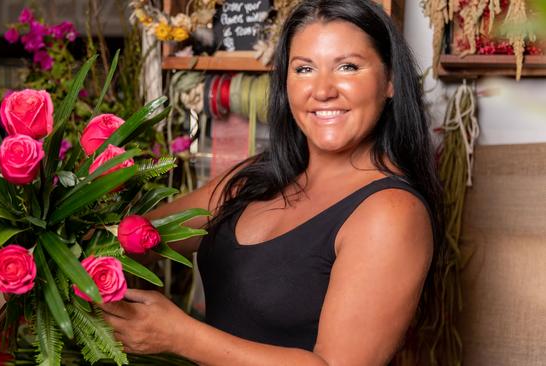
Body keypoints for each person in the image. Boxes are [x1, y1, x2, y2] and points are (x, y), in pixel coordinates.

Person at [101, 0, 444, 364]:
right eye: (305, 69)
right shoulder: (257, 176)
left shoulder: (391, 213)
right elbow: (141, 238)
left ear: (389, 81)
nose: (323, 89)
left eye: (348, 66)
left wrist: (179, 335)